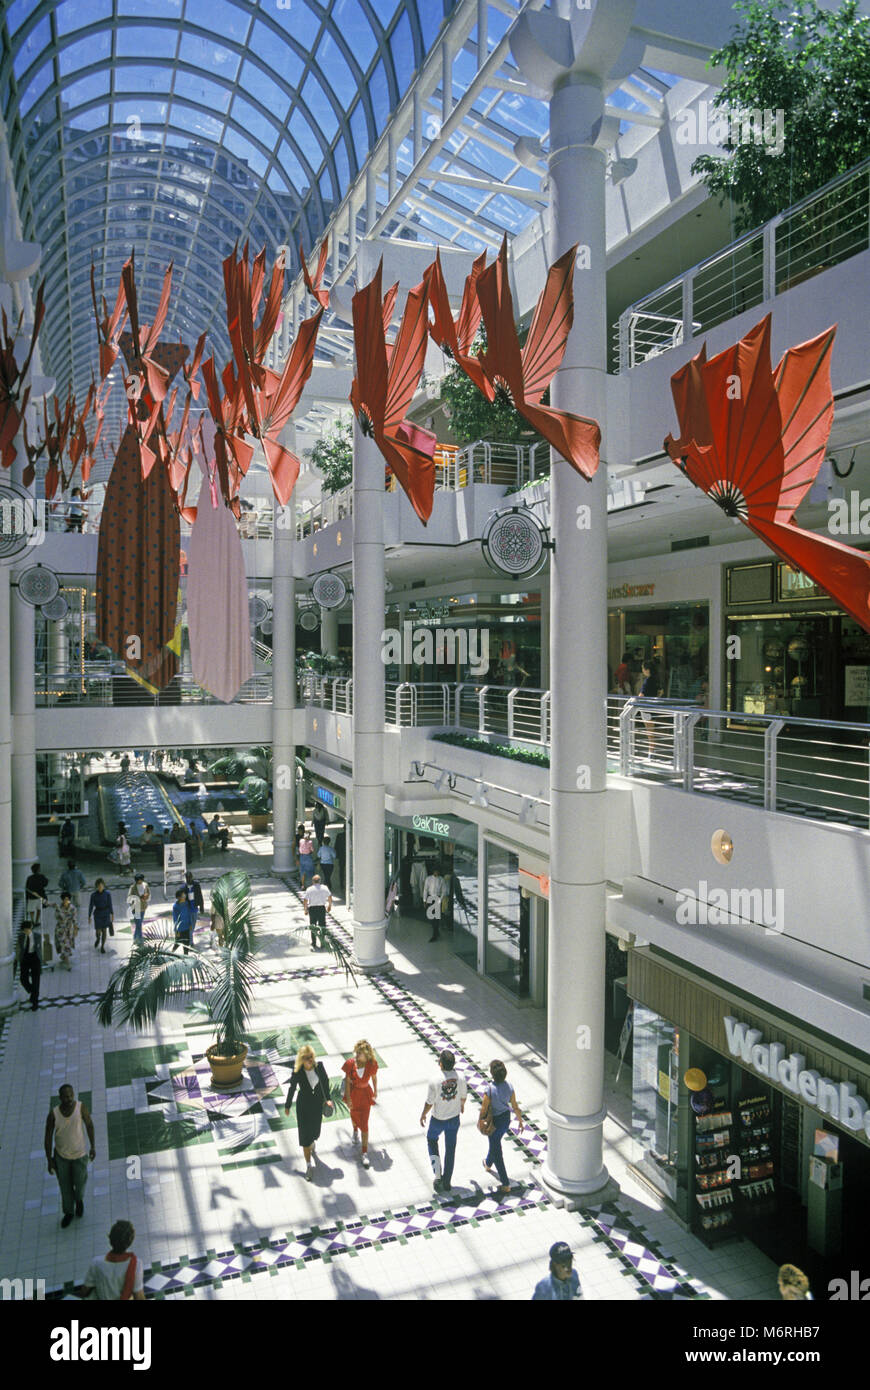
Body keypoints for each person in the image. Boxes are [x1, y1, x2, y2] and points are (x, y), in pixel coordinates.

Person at [45, 1084, 96, 1228]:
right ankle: (69, 1212)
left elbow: (89, 1125)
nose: (68, 1099)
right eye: (65, 1096)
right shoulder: (53, 1114)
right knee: (65, 1188)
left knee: (79, 1184)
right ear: (60, 1098)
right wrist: (49, 1159)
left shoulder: (81, 1108)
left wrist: (92, 1146)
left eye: (70, 1095)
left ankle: (79, 1200)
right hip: (61, 1158)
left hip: (79, 1156)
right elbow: (47, 1137)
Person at [420, 1049, 467, 1195]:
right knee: (450, 1149)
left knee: (431, 1140)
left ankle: (438, 1175)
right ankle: (447, 1181)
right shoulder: (461, 1077)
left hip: (438, 1119)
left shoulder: (435, 1080)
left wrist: (423, 1114)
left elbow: (429, 1102)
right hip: (454, 1118)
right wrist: (461, 1105)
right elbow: (463, 1096)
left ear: (440, 1063)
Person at [284, 1044, 334, 1181]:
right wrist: (287, 1105)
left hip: (317, 1105)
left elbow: (325, 1082)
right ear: (301, 1059)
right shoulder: (298, 1072)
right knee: (305, 1138)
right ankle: (308, 1166)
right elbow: (292, 1088)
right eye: (306, 1058)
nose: (309, 1059)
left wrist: (328, 1099)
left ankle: (312, 1143)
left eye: (311, 1056)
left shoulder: (319, 1067)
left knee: (315, 1132)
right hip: (303, 1107)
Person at [479, 1059, 525, 1196]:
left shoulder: (490, 1090)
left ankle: (505, 1184)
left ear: (492, 1074)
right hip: (505, 1120)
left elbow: (484, 1108)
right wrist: (520, 1120)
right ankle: (487, 1163)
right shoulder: (509, 1087)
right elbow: (515, 1106)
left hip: (494, 1122)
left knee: (497, 1150)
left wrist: (481, 1120)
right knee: (495, 1142)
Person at [81, 1221, 146, 1301]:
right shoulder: (136, 1264)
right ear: (130, 1242)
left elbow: (84, 1291)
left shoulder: (96, 1262)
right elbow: (139, 1296)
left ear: (110, 1239)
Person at [342, 1039, 378, 1169]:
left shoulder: (372, 1064)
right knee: (353, 1116)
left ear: (367, 1054)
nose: (356, 1055)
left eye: (360, 1053)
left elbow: (374, 1077)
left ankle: (364, 1152)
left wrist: (375, 1090)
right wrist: (348, 1099)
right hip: (354, 1094)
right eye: (356, 1052)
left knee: (365, 1123)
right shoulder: (351, 1064)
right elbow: (347, 1081)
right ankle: (354, 1131)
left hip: (365, 1095)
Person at [639, 660, 662, 758]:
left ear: (647, 670)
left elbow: (641, 695)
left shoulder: (647, 681)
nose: (643, 671)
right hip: (654, 707)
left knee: (649, 732)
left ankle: (651, 751)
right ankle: (651, 751)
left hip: (646, 707)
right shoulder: (656, 679)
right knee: (652, 731)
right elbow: (661, 692)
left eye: (643, 669)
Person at [18, 920, 42, 1009]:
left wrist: (41, 960)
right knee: (23, 979)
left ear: (30, 928)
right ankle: (33, 992)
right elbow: (20, 948)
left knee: (36, 980)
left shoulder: (37, 936)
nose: (26, 932)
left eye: (27, 930)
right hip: (25, 958)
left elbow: (40, 949)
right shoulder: (21, 937)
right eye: (24, 931)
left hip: (35, 958)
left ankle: (35, 1001)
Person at [303, 875, 331, 950]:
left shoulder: (309, 889)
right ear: (320, 881)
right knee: (322, 926)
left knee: (313, 926)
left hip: (312, 909)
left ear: (313, 881)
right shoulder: (324, 888)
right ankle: (322, 943)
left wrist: (305, 909)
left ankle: (314, 943)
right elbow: (330, 897)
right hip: (321, 908)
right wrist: (329, 906)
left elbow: (305, 900)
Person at [53, 891, 78, 970]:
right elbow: (56, 917)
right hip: (60, 929)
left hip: (69, 929)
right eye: (64, 899)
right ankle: (68, 964)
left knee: (68, 943)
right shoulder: (58, 908)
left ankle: (63, 956)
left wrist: (75, 929)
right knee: (65, 944)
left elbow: (74, 919)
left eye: (67, 899)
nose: (66, 901)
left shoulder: (73, 908)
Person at [88, 877, 114, 953]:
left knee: (104, 930)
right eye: (98, 886)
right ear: (96, 886)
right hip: (98, 914)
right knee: (98, 931)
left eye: (101, 886)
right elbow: (91, 906)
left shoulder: (107, 894)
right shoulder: (93, 895)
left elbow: (110, 904)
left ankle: (102, 946)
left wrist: (112, 914)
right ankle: (98, 938)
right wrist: (89, 916)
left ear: (104, 886)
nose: (100, 888)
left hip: (106, 913)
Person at [423, 862, 445, 942]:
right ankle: (436, 931)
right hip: (430, 898)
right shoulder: (428, 879)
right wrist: (424, 900)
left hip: (437, 898)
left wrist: (440, 900)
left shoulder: (441, 879)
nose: (437, 872)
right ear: (433, 871)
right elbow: (425, 889)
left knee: (436, 917)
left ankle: (435, 934)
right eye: (435, 871)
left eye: (438, 871)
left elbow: (443, 891)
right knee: (430, 916)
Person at [126, 875, 150, 944]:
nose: (140, 881)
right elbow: (129, 898)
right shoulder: (133, 887)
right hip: (136, 908)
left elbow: (148, 893)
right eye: (138, 880)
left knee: (139, 923)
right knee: (138, 923)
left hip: (143, 907)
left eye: (141, 880)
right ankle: (139, 938)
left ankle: (135, 937)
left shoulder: (145, 885)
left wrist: (146, 897)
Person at [25, 861, 49, 927]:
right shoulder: (41, 876)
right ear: (38, 870)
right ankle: (37, 921)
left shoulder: (29, 878)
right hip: (40, 896)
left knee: (31, 909)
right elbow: (45, 883)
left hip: (32, 896)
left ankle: (32, 921)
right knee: (39, 909)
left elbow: (27, 887)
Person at [172, 886, 194, 954]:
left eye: (184, 894)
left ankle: (186, 955)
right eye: (183, 895)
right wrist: (177, 930)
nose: (184, 896)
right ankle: (172, 953)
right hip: (180, 928)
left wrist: (190, 924)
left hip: (187, 926)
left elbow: (189, 914)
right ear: (179, 897)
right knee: (177, 942)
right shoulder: (176, 906)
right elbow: (175, 918)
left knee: (186, 942)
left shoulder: (187, 903)